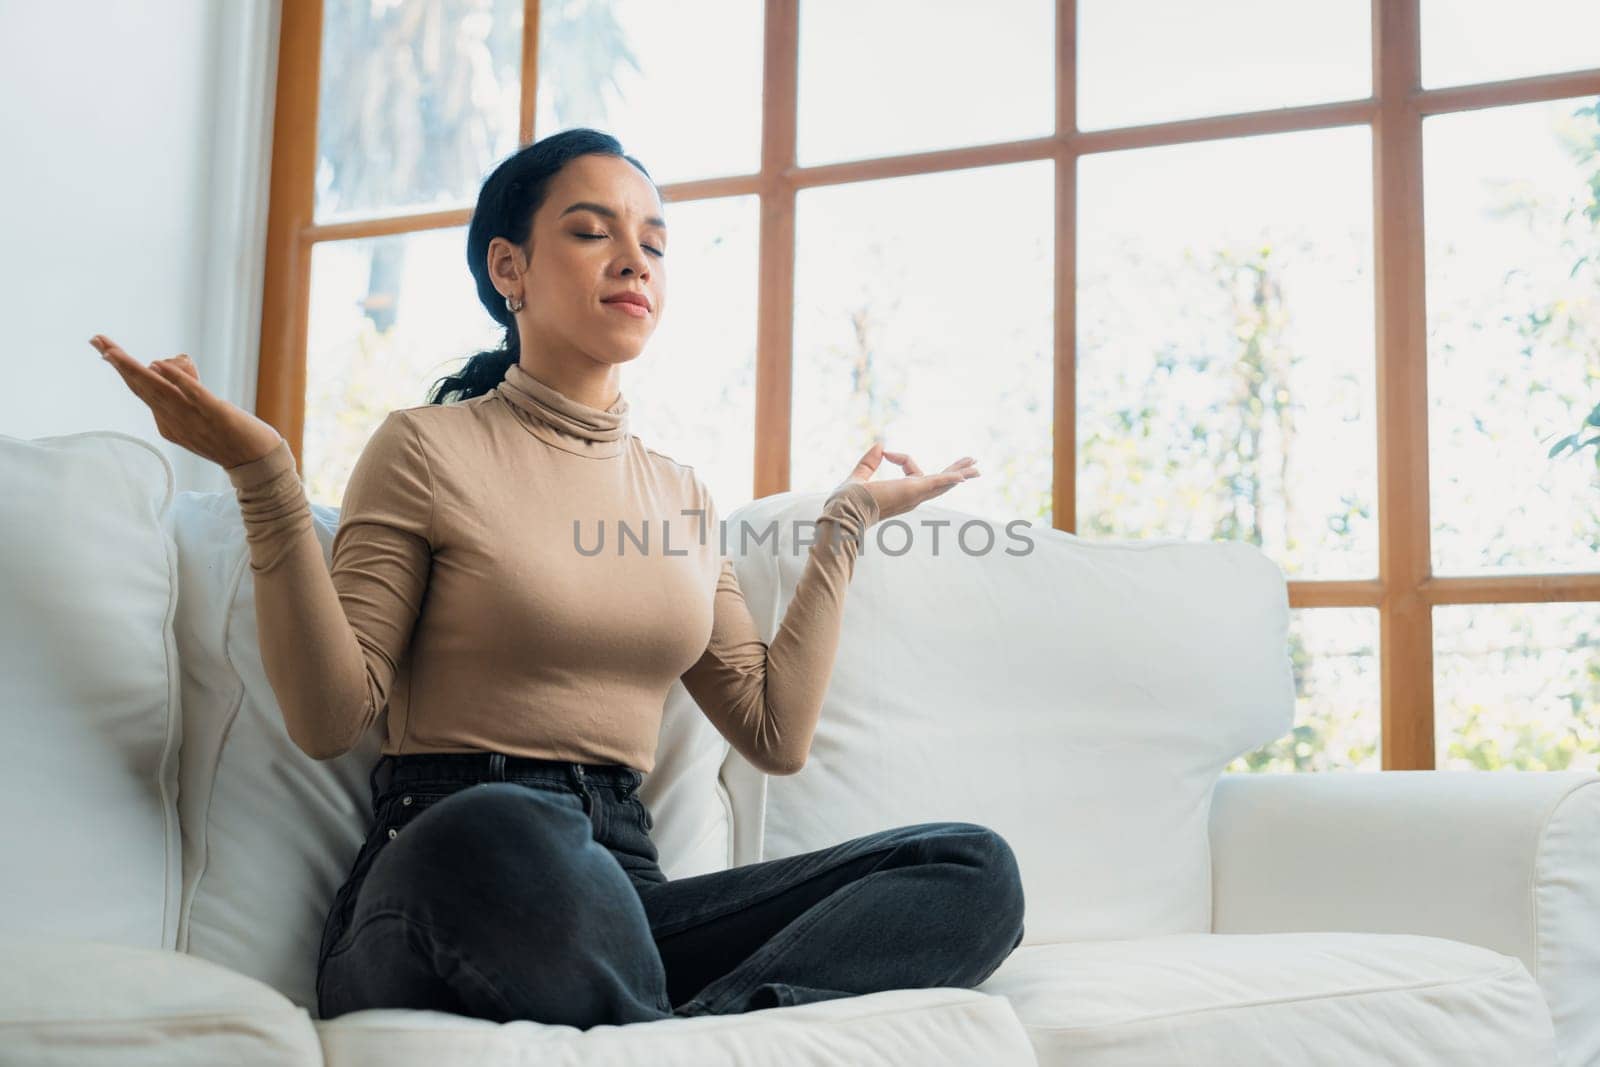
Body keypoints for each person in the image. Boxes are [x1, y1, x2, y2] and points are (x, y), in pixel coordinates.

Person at [90, 126, 1025, 1028]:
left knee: (971, 871)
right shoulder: (425, 447)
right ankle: (682, 1029)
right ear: (511, 270)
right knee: (509, 830)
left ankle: (674, 1030)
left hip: (623, 896)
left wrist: (846, 525)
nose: (635, 258)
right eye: (591, 231)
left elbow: (775, 732)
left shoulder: (683, 496)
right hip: (451, 861)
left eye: (653, 241)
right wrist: (267, 482)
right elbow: (333, 715)